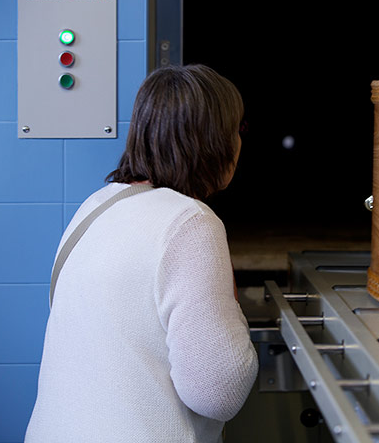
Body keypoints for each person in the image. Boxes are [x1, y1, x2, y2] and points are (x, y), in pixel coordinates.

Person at [25, 64, 258, 442]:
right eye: (238, 129)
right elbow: (219, 393)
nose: (240, 142)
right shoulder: (190, 222)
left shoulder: (96, 206)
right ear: (214, 140)